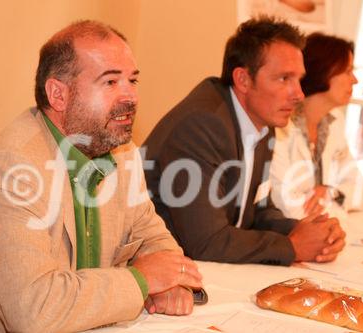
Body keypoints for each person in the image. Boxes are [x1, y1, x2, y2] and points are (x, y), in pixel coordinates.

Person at [0, 20, 202, 332]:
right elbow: (33, 311)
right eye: (110, 82)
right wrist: (142, 280)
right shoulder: (15, 166)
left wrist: (172, 281)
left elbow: (154, 238)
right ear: (58, 94)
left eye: (133, 81)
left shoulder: (123, 152)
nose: (130, 97)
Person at [144, 17, 346, 266]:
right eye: (284, 79)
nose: (299, 94)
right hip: (163, 273)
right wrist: (293, 246)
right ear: (243, 80)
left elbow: (258, 211)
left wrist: (311, 232)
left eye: (299, 79)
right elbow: (206, 242)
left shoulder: (262, 122)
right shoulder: (201, 125)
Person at [270, 33, 363, 223]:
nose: (355, 80)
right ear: (323, 71)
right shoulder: (280, 126)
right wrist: (336, 214)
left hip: (324, 232)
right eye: (348, 71)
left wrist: (331, 192)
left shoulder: (334, 123)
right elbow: (287, 204)